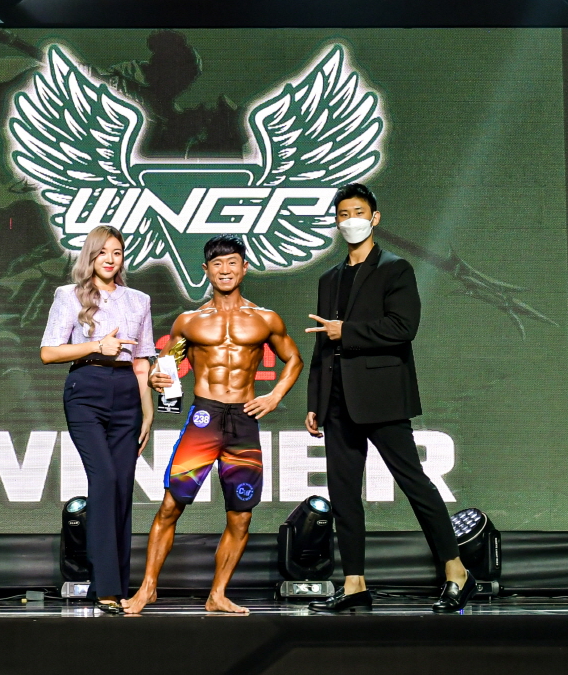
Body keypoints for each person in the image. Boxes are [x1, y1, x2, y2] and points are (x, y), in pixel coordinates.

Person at [304, 184, 472, 614]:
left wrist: (348, 332)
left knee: (414, 482)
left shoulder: (395, 269)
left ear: (374, 218)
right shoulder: (329, 278)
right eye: (343, 214)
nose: (350, 221)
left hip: (381, 396)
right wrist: (314, 401)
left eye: (358, 212)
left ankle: (456, 571)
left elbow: (403, 327)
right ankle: (354, 583)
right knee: (343, 492)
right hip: (336, 399)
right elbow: (322, 344)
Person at [124, 235, 302, 616]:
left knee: (241, 514)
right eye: (217, 264)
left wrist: (273, 397)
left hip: (244, 420)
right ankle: (147, 588)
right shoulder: (189, 321)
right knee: (171, 504)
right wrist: (157, 377)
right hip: (204, 418)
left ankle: (217, 594)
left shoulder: (265, 319)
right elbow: (165, 366)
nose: (225, 270)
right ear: (206, 270)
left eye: (232, 262)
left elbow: (294, 359)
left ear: (244, 267)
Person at [40, 226, 156, 614]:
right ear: (90, 256)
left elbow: (142, 361)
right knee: (104, 479)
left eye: (117, 252)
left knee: (122, 487)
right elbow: (48, 353)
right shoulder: (68, 295)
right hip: (86, 389)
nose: (110, 259)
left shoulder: (139, 300)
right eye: (102, 252)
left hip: (127, 393)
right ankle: (104, 586)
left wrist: (148, 410)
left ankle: (118, 587)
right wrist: (97, 346)